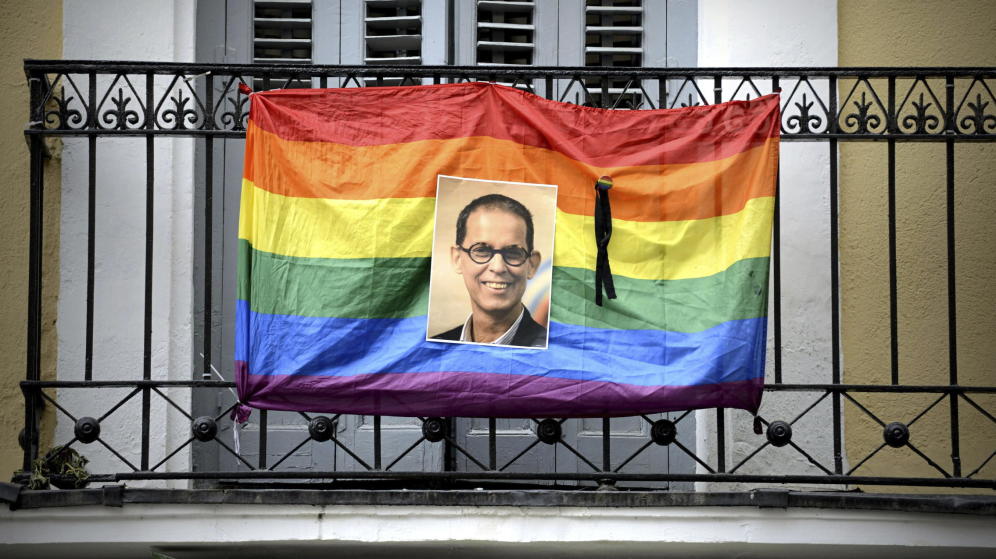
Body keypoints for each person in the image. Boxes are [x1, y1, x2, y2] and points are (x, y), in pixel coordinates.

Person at [430, 193, 548, 348]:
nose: (498, 267)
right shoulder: (434, 348)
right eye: (482, 251)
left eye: (513, 253)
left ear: (532, 265)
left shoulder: (554, 352)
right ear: (457, 259)